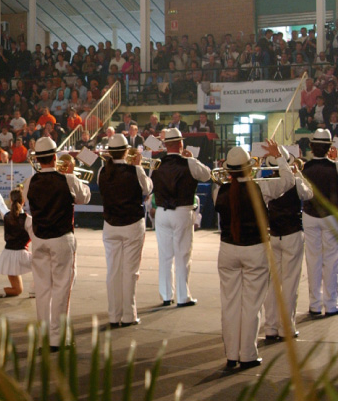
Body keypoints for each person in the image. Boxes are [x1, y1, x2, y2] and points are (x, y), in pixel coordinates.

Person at [213, 143, 294, 369]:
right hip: (255, 250)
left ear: (228, 170)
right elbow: (289, 181)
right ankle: (247, 354)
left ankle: (231, 355)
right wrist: (279, 157)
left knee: (229, 304)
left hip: (228, 249)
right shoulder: (262, 188)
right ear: (249, 167)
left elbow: (228, 190)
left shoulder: (218, 190)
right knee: (251, 306)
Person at [24, 136, 91, 351]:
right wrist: (70, 172)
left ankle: (45, 336)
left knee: (43, 289)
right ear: (55, 157)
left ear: (38, 159)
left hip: (39, 238)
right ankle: (58, 338)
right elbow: (85, 198)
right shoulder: (68, 179)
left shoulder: (30, 181)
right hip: (61, 238)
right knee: (62, 288)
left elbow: (27, 206)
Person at [151, 128, 211, 307]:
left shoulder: (157, 163)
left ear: (165, 145)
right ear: (180, 144)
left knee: (165, 255)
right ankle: (183, 296)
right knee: (183, 254)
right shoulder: (189, 163)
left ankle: (166, 295)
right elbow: (207, 174)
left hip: (162, 211)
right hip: (182, 210)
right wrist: (192, 157)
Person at [98, 134, 153, 328]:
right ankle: (129, 315)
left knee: (113, 271)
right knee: (130, 271)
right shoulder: (134, 170)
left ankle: (114, 315)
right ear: (127, 150)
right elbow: (148, 189)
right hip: (132, 223)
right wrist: (139, 166)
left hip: (110, 224)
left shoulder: (102, 171)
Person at [261, 152, 314, 342]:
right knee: (290, 283)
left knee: (273, 283)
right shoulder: (294, 182)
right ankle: (286, 327)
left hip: (274, 234)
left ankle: (271, 326)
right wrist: (297, 173)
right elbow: (309, 194)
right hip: (292, 234)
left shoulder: (265, 182)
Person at [302, 128, 338, 317]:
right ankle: (331, 304)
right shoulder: (336, 166)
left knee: (313, 260)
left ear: (311, 147)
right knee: (332, 261)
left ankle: (315, 304)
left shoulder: (305, 167)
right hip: (332, 216)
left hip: (309, 215)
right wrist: (337, 158)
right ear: (330, 146)